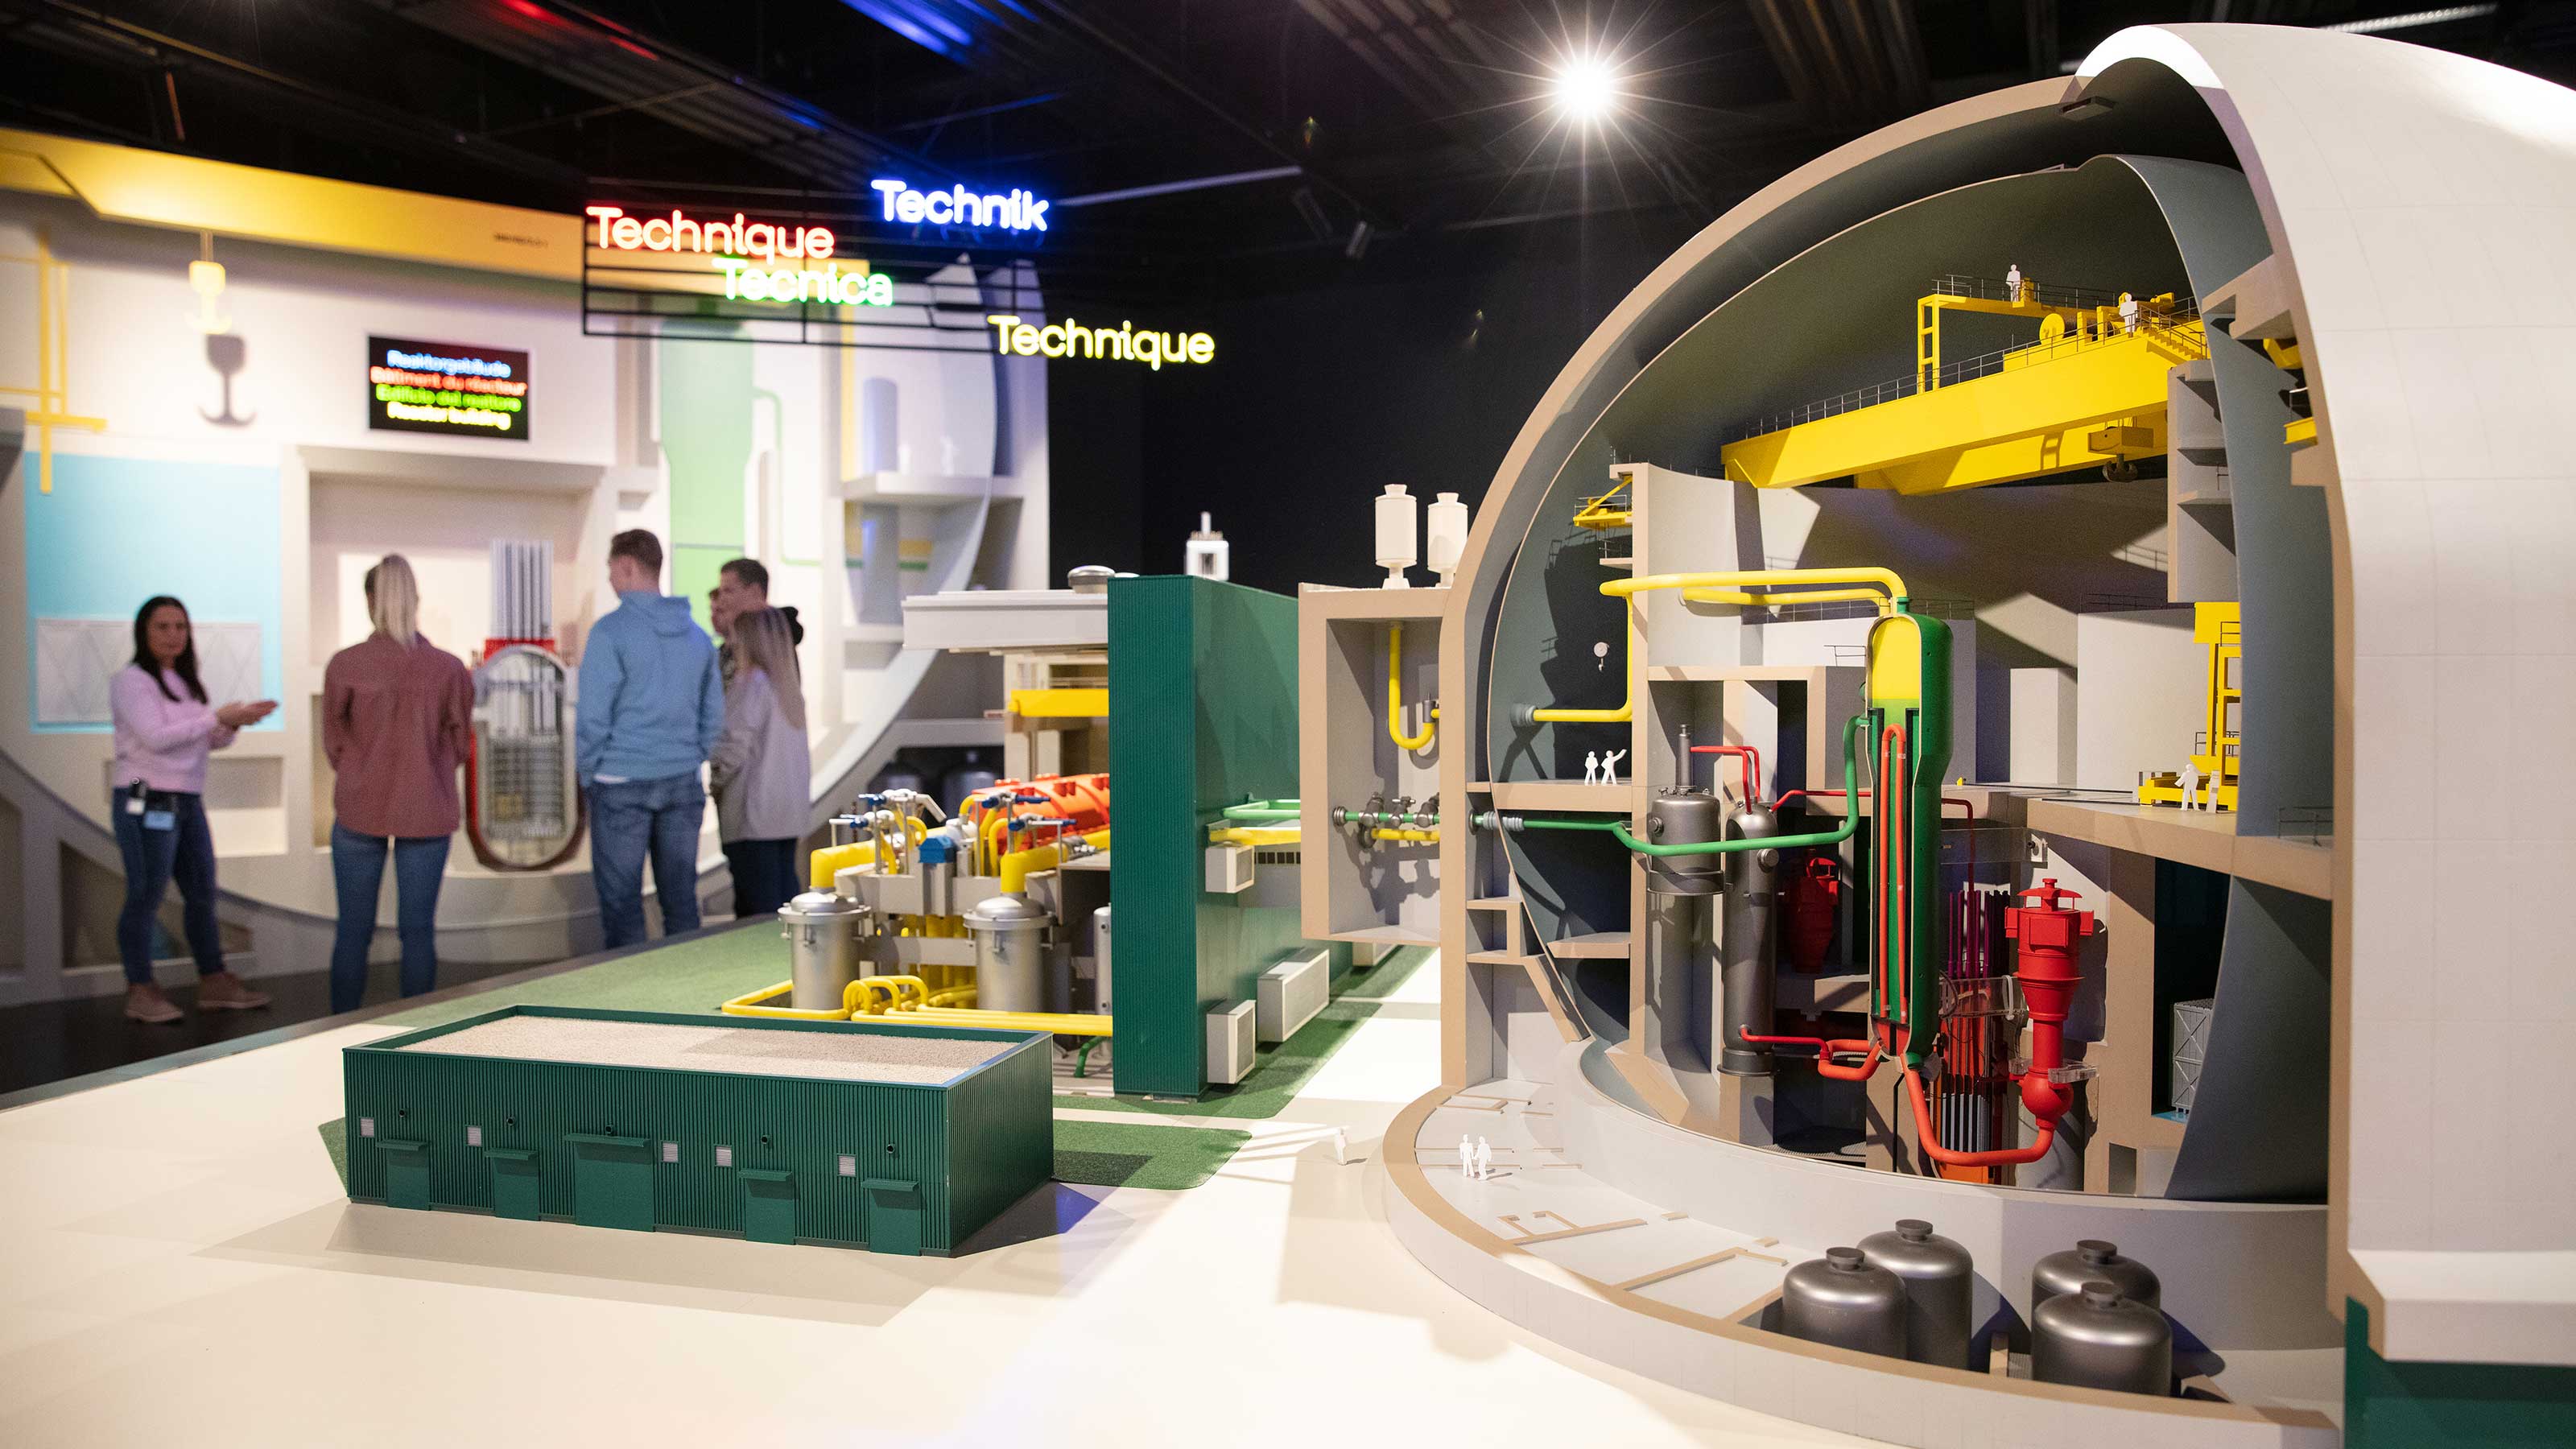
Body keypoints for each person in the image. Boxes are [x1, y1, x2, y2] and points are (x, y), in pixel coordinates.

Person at [109, 596, 278, 1022]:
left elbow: (203, 741)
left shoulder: (185, 683)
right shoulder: (131, 681)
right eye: (163, 626)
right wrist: (215, 717)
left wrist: (233, 722)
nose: (173, 635)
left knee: (202, 893)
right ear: (144, 632)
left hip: (186, 797)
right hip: (146, 796)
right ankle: (140, 988)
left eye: (180, 627)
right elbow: (156, 737)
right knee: (145, 893)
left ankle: (214, 980)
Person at [320, 555, 473, 1013]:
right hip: (427, 808)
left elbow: (334, 743)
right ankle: (415, 1034)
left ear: (371, 599)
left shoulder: (345, 665)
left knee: (353, 931)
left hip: (359, 807)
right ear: (415, 599)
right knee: (418, 931)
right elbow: (460, 746)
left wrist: (364, 769)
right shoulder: (448, 668)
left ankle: (338, 1032)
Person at [577, 529, 724, 948]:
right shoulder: (697, 637)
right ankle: (687, 984)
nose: (610, 579)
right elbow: (714, 715)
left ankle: (630, 990)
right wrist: (692, 755)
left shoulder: (610, 633)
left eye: (611, 569)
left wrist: (587, 772)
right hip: (681, 781)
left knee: (622, 907)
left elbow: (593, 717)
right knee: (681, 903)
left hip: (619, 782)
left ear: (627, 566)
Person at [711, 606, 812, 919]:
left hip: (753, 816)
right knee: (785, 904)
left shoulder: (751, 684)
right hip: (786, 816)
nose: (731, 646)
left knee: (757, 913)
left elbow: (731, 747)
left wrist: (715, 781)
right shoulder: (788, 689)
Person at [711, 556, 803, 683]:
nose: (721, 600)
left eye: (728, 591)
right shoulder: (730, 647)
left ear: (755, 592)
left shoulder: (772, 647)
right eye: (721, 592)